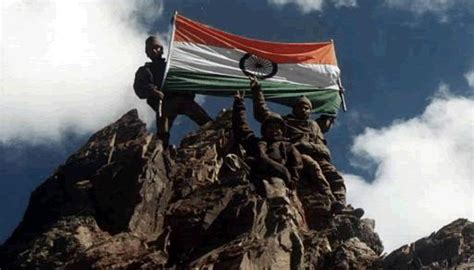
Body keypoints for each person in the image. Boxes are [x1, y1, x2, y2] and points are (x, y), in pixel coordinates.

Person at [249, 77, 360, 216]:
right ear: (294, 108)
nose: (304, 109)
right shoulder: (285, 122)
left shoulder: (314, 125)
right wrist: (257, 90)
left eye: (307, 108)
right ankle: (330, 199)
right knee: (313, 167)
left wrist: (336, 97)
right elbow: (263, 113)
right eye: (300, 107)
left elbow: (329, 116)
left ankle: (341, 206)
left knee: (335, 176)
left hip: (319, 155)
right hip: (296, 155)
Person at [133, 36, 212, 147]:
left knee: (201, 117)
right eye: (151, 49)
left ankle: (212, 128)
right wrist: (152, 91)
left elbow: (186, 80)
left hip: (181, 99)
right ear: (147, 53)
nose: (155, 51)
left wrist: (188, 91)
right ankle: (161, 150)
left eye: (157, 48)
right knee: (162, 131)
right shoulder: (145, 70)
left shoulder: (172, 66)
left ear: (162, 49)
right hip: (163, 104)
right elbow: (139, 88)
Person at [232, 90, 303, 195]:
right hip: (254, 176)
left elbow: (296, 164)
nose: (274, 130)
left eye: (277, 128)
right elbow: (241, 128)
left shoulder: (287, 146)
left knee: (276, 198)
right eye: (270, 127)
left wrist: (292, 181)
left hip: (277, 176)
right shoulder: (256, 142)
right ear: (264, 130)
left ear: (282, 131)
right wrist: (239, 104)